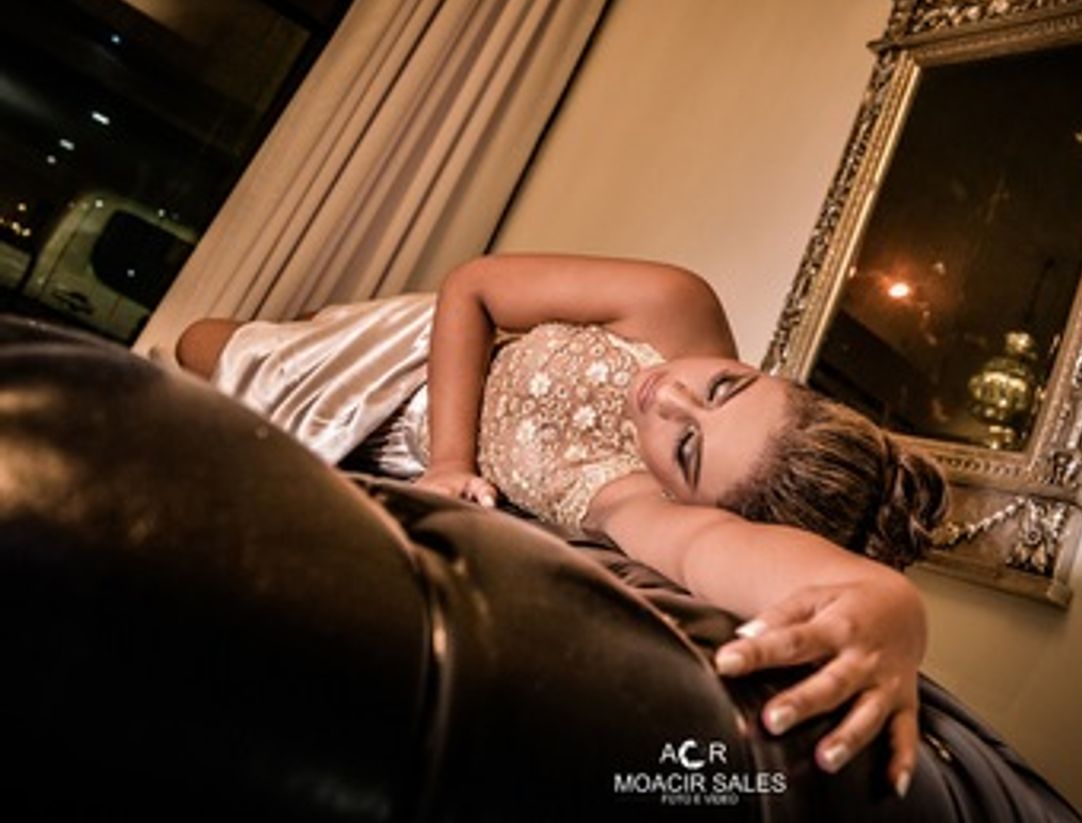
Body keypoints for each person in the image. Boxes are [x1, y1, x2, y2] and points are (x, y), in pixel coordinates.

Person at [175, 253, 948, 799]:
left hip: (379, 441)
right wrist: (450, 459)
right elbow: (473, 287)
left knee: (193, 356)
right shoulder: (678, 304)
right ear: (772, 376)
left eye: (686, 447)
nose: (667, 397)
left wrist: (882, 603)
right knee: (220, 335)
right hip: (431, 347)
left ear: (695, 500)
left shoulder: (631, 502)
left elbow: (716, 551)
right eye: (723, 386)